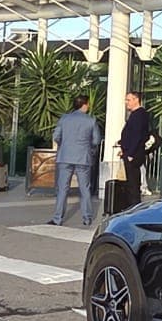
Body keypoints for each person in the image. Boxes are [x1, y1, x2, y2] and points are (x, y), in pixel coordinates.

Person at [50, 94, 101, 228]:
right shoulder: (91, 120)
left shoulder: (64, 119)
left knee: (62, 188)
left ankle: (57, 218)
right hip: (83, 157)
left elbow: (56, 136)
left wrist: (65, 144)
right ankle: (87, 217)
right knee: (84, 188)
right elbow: (96, 140)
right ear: (84, 105)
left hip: (65, 156)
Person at [115, 91, 159, 210]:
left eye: (128, 100)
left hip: (133, 154)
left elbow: (137, 135)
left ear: (136, 100)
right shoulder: (136, 114)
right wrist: (123, 148)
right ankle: (132, 207)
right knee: (131, 183)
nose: (126, 103)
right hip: (130, 152)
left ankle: (134, 208)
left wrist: (130, 153)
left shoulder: (139, 115)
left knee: (133, 184)